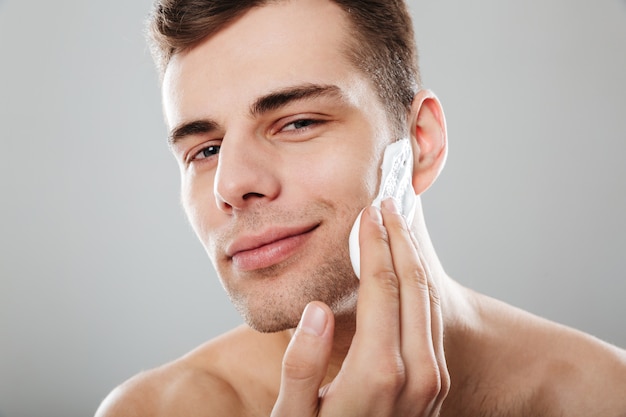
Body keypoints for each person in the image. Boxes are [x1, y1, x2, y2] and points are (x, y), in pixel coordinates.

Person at [96, 0, 626, 415]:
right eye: (205, 150)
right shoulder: (152, 411)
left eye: (298, 122)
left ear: (421, 142)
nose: (231, 184)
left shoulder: (606, 399)